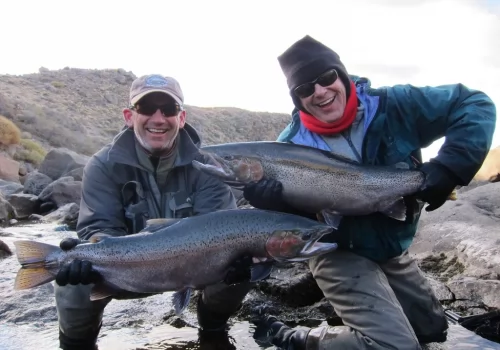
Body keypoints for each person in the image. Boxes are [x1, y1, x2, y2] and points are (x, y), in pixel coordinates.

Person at [244, 35, 497, 349]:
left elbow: (474, 104)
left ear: (342, 75)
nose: (320, 92)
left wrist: (448, 167)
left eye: (325, 78)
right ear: (297, 99)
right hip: (336, 251)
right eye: (304, 89)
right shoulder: (288, 147)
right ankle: (297, 339)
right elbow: (289, 232)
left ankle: (365, 323)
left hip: (390, 247)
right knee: (398, 347)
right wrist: (276, 206)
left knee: (433, 332)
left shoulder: (394, 106)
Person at [53, 74, 254, 350]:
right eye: (147, 108)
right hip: (125, 272)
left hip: (195, 269)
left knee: (237, 268)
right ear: (128, 116)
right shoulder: (102, 166)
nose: (158, 119)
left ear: (181, 118)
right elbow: (98, 229)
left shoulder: (208, 168)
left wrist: (235, 256)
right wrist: (88, 257)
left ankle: (213, 331)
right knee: (72, 282)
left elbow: (221, 229)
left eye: (168, 109)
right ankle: (76, 344)